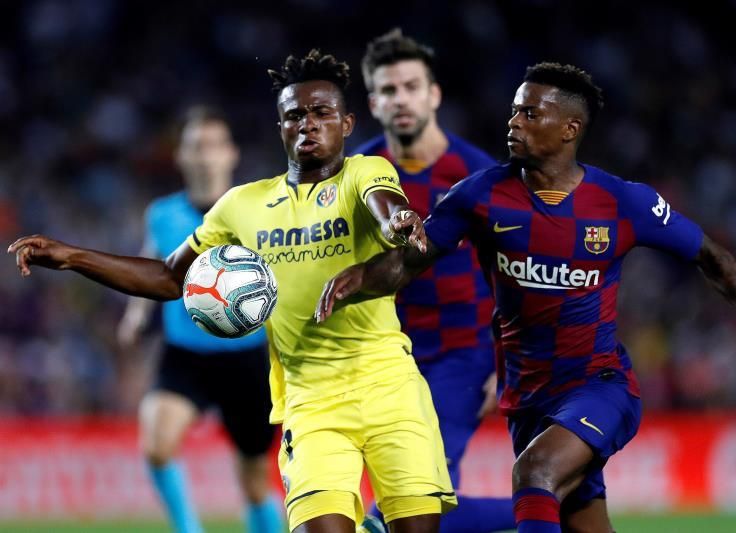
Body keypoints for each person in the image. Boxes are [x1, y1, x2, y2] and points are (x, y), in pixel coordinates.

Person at [315, 62, 736, 532]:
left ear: (569, 129)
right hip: (527, 400)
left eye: (530, 113)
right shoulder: (478, 196)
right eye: (514, 111)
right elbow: (406, 264)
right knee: (577, 519)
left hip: (600, 385)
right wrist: (358, 279)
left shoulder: (622, 201)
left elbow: (710, 255)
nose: (513, 122)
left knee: (534, 471)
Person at [9, 49, 456, 533]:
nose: (307, 124)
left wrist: (398, 220)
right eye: (294, 115)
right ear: (280, 127)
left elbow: (386, 206)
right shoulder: (242, 205)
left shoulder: (364, 173)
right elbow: (168, 278)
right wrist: (73, 257)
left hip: (389, 387)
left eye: (321, 112)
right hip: (310, 403)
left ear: (346, 124)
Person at [353, 29, 514, 533]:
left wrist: (506, 360)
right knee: (428, 507)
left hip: (461, 356)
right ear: (373, 103)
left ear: (434, 94)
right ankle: (553, 508)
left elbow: (515, 272)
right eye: (388, 90)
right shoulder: (359, 176)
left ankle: (550, 508)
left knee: (412, 497)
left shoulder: (477, 174)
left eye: (411, 87)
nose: (401, 99)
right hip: (386, 357)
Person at [115, 106, 284, 533]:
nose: (205, 155)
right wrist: (137, 314)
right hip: (185, 355)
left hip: (247, 358)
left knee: (254, 484)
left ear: (231, 153)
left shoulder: (259, 210)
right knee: (156, 444)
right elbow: (155, 261)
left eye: (213, 145)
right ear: (181, 156)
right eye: (195, 146)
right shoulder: (161, 214)